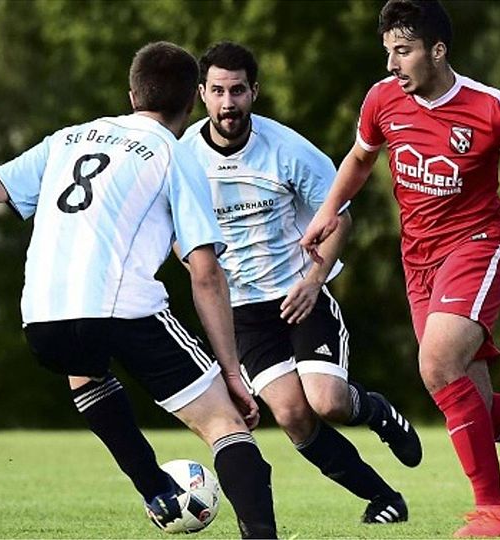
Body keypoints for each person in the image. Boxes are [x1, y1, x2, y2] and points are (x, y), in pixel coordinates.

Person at [0, 41, 278, 539]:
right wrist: (231, 370)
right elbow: (204, 271)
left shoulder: (68, 139)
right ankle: (260, 534)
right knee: (223, 424)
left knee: (85, 369)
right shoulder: (173, 153)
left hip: (42, 316)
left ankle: (156, 489)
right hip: (121, 309)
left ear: (131, 93)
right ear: (192, 102)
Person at [300, 1, 500, 537]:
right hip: (419, 263)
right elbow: (359, 159)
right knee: (478, 410)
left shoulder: (487, 109)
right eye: (388, 53)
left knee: (437, 364)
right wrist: (328, 211)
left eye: (402, 52)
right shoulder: (383, 100)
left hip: (480, 248)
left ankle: (494, 512)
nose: (391, 65)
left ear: (438, 51)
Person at [179, 41, 422, 525]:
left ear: (255, 92)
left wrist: (314, 280)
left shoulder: (287, 150)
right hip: (244, 312)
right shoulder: (182, 157)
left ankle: (377, 413)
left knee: (328, 403)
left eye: (239, 91)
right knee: (292, 417)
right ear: (202, 94)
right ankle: (383, 498)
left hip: (300, 294)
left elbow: (341, 219)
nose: (229, 103)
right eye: (219, 92)